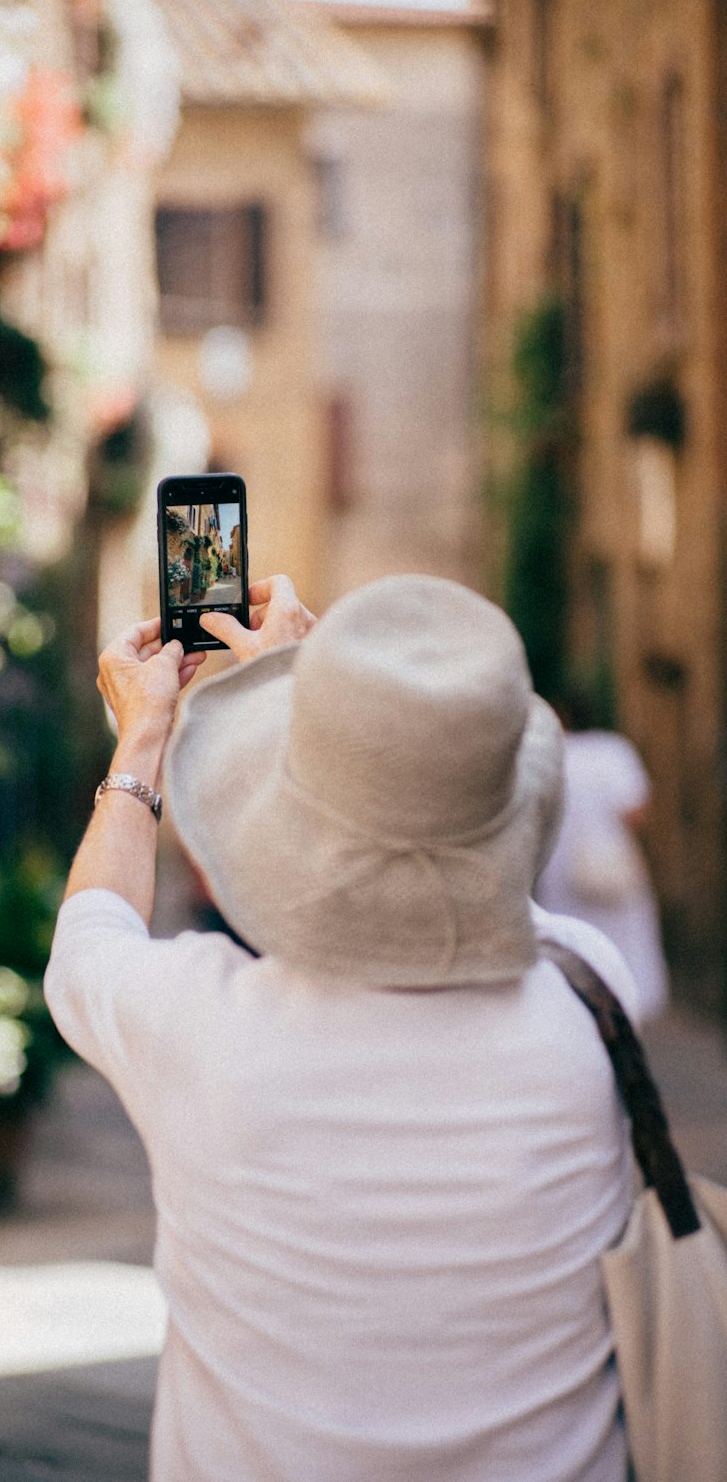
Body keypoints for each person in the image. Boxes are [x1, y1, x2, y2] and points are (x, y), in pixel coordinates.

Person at [45, 573, 637, 1482]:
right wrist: (319, 707)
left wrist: (148, 733)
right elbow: (484, 886)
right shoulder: (593, 998)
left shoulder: (199, 1021)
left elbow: (92, 931)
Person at [536, 694, 669, 1022]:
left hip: (562, 868)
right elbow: (637, 813)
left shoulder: (548, 755)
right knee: (626, 948)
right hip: (613, 866)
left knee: (572, 946)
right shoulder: (614, 750)